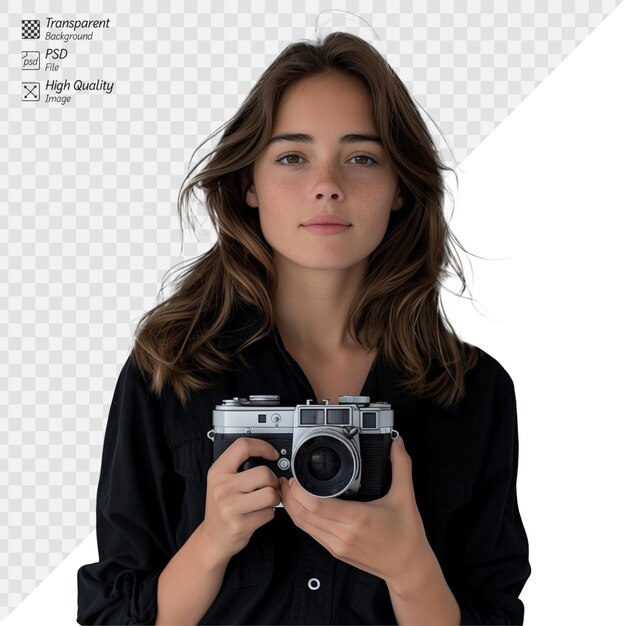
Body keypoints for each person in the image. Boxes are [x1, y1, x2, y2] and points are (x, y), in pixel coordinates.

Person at [77, 31, 530, 625]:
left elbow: (495, 610)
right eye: (293, 156)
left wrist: (409, 566)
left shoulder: (472, 390)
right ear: (249, 184)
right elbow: (109, 614)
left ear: (400, 188)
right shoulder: (171, 370)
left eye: (362, 157)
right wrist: (212, 542)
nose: (327, 185)